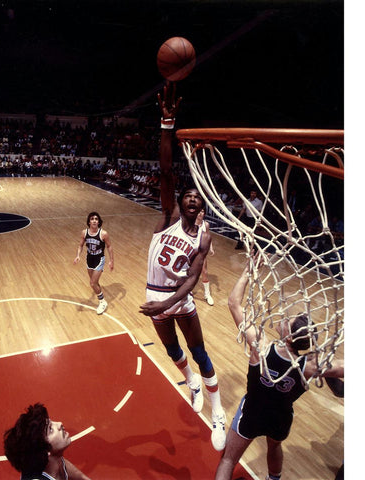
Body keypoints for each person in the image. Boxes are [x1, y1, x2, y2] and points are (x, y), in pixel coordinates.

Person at [139, 82, 226, 451]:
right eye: (186, 195)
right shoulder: (168, 217)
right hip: (155, 295)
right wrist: (166, 126)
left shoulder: (203, 237)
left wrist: (167, 304)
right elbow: (165, 172)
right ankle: (191, 382)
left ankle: (218, 410)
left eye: (195, 198)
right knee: (173, 351)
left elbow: (192, 278)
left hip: (178, 299)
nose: (190, 199)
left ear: (201, 207)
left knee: (200, 350)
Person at [214, 256, 344, 480]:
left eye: (287, 320)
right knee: (274, 447)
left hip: (252, 413)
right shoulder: (309, 366)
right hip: (280, 417)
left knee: (228, 459)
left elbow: (233, 303)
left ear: (288, 335)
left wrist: (248, 272)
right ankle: (273, 478)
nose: (283, 319)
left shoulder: (261, 346)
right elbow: (343, 368)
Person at [3, 403, 91, 480]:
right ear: (45, 451)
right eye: (51, 430)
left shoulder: (53, 460)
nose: (59, 424)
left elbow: (62, 465)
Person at [73, 211, 114, 314]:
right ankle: (100, 297)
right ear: (89, 222)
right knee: (95, 282)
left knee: (92, 283)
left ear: (99, 221)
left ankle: (102, 302)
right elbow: (81, 245)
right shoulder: (84, 232)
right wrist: (78, 255)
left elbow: (109, 246)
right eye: (92, 219)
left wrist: (111, 261)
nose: (94, 221)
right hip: (89, 258)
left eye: (96, 219)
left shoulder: (103, 234)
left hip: (99, 259)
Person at [196, 208, 215, 306]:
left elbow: (208, 236)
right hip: (190, 250)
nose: (200, 213)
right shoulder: (190, 222)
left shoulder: (206, 224)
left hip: (201, 251)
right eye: (199, 211)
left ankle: (207, 294)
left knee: (205, 272)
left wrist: (211, 248)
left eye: (202, 211)